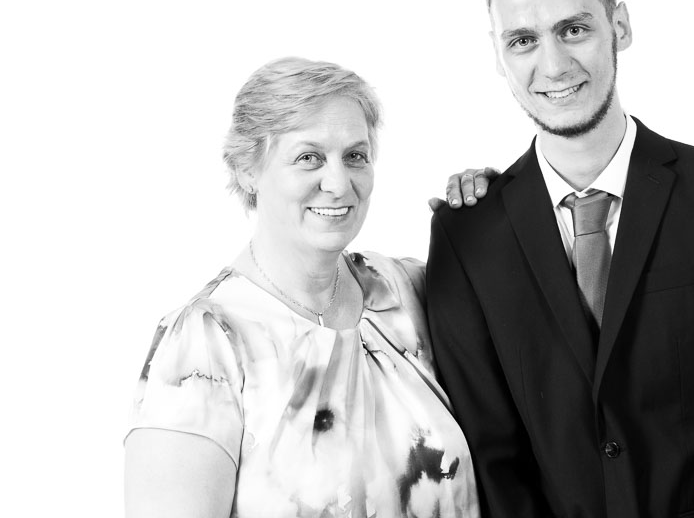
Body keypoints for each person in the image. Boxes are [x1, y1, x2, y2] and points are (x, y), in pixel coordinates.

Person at [427, 0, 694, 518]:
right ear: (498, 56)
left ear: (620, 27)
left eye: (573, 29)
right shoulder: (468, 236)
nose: (553, 65)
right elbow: (490, 456)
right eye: (523, 40)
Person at [124, 58, 481, 518]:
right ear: (248, 169)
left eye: (355, 156)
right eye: (308, 157)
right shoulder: (204, 347)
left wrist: (496, 206)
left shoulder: (404, 291)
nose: (338, 184)